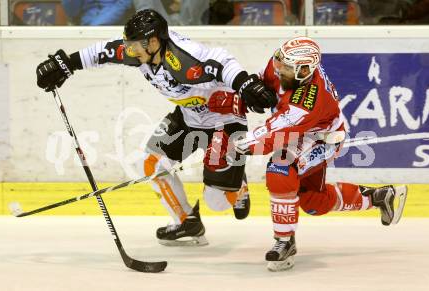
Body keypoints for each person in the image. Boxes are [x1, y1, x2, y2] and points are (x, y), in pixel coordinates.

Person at [35, 9, 277, 246]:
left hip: (224, 122)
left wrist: (245, 83)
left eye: (134, 45)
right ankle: (186, 221)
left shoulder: (183, 59)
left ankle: (239, 186)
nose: (129, 50)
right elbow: (104, 51)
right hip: (188, 117)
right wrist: (66, 64)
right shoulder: (141, 52)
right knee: (151, 163)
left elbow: (220, 61)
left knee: (217, 202)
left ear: (152, 41)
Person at [208, 36, 407, 271]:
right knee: (314, 202)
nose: (279, 68)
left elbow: (273, 132)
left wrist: (242, 144)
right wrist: (242, 97)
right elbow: (264, 84)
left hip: (321, 139)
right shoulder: (285, 63)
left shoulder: (309, 100)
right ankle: (379, 197)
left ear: (304, 71)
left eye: (287, 68)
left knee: (280, 168)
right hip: (299, 133)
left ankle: (284, 242)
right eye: (280, 62)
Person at [62, 0, 134, 25]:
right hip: (86, 25)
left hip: (113, 25)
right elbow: (71, 12)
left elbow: (123, 4)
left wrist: (98, 23)